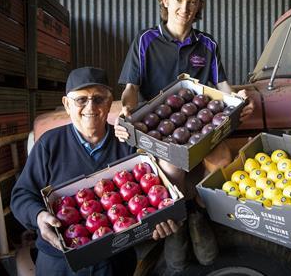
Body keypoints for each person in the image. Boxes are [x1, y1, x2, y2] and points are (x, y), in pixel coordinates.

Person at [114, 0, 254, 273]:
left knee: (222, 157)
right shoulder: (146, 40)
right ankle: (176, 223)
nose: (185, 8)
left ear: (199, 6)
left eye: (192, 2)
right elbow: (131, 89)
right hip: (158, 129)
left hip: (201, 125)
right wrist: (127, 109)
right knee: (173, 166)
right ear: (165, 1)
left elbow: (223, 86)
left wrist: (239, 98)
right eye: (178, 0)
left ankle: (199, 213)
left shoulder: (207, 44)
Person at [10, 67, 179, 276]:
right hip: (60, 261)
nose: (90, 106)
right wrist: (38, 217)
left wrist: (157, 220)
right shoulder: (49, 144)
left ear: (109, 104)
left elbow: (151, 195)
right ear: (66, 104)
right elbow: (21, 195)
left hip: (114, 260)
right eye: (81, 99)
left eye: (98, 99)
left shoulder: (127, 144)